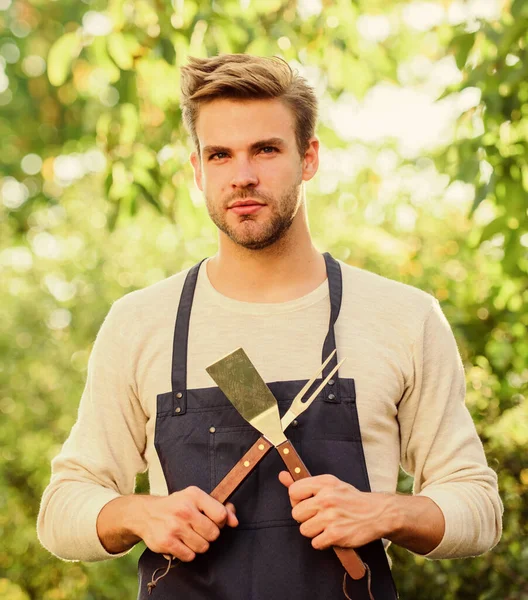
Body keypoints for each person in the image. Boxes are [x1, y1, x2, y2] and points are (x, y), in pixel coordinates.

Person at [37, 54, 503, 600]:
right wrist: (139, 513)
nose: (243, 176)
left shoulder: (402, 316)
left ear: (309, 158)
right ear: (197, 170)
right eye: (220, 155)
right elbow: (60, 509)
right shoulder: (141, 322)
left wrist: (385, 511)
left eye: (265, 149)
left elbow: (479, 507)